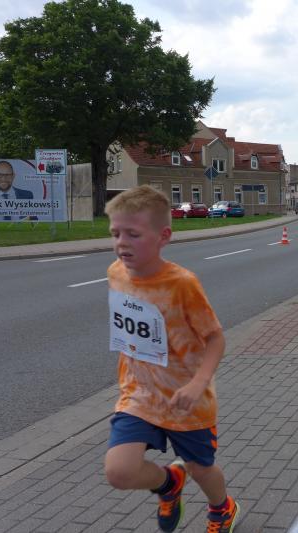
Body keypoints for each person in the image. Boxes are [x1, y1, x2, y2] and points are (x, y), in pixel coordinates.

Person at [103, 185, 239, 533]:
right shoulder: (115, 272)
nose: (122, 243)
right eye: (116, 233)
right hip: (139, 394)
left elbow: (215, 338)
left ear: (163, 236)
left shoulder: (182, 284)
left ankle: (222, 508)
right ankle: (168, 483)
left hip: (186, 400)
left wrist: (198, 383)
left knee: (201, 469)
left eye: (133, 234)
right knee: (119, 471)